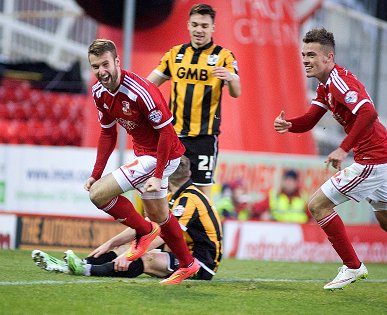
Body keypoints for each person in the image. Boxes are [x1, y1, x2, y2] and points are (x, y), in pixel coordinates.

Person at [273, 28, 387, 298]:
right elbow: (309, 120)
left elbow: (368, 112)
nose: (305, 59)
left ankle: (352, 266)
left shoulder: (340, 81)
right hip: (385, 160)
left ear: (329, 57)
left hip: (372, 161)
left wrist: (343, 149)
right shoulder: (325, 86)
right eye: (303, 54)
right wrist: (289, 124)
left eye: (311, 54)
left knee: (317, 205)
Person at [85, 39, 199, 284]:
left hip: (162, 155)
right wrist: (96, 172)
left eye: (105, 64)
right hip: (146, 155)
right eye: (95, 67)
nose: (101, 71)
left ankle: (144, 233)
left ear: (117, 61)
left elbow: (167, 134)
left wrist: (158, 175)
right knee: (161, 216)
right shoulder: (98, 92)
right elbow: (108, 133)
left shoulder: (140, 91)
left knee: (97, 195)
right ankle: (188, 264)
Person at [32, 156, 223, 281]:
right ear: (189, 174)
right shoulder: (173, 195)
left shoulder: (189, 199)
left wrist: (131, 255)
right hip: (183, 252)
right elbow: (147, 228)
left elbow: (161, 235)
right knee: (123, 248)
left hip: (202, 263)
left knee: (146, 258)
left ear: (167, 172)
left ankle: (83, 270)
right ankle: (78, 264)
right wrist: (110, 243)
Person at [147, 3, 241, 198]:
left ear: (213, 28)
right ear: (188, 25)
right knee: (163, 190)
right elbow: (148, 85)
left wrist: (230, 78)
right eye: (196, 25)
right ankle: (160, 228)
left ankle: (207, 228)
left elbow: (236, 92)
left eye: (205, 26)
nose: (199, 30)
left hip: (204, 138)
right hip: (174, 136)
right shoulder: (175, 54)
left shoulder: (223, 56)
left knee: (202, 195)